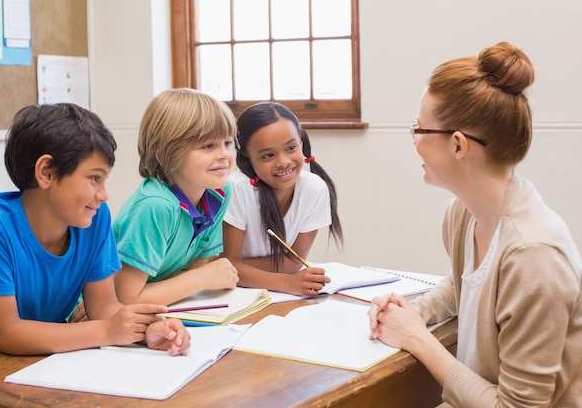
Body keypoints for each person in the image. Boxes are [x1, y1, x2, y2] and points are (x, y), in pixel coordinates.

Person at [368, 42, 582, 407]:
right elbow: (465, 286)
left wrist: (418, 339)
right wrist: (409, 312)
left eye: (420, 129)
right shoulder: (463, 214)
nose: (415, 142)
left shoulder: (534, 257)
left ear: (458, 146)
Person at [0, 103, 191, 356]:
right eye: (94, 179)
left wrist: (151, 330)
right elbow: (9, 334)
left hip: (42, 360)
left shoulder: (93, 219)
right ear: (46, 172)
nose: (104, 195)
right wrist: (106, 331)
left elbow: (104, 308)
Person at [112, 88, 239, 306]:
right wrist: (202, 278)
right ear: (165, 155)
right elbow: (125, 298)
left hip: (161, 308)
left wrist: (198, 277)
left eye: (227, 143)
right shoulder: (155, 206)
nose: (224, 155)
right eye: (208, 146)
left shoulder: (218, 192)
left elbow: (193, 270)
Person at [222, 102, 343, 296]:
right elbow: (228, 266)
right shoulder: (236, 188)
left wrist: (240, 267)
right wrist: (287, 283)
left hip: (270, 294)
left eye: (291, 148)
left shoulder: (315, 188)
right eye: (268, 155)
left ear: (301, 143)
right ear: (247, 158)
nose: (283, 162)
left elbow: (292, 262)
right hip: (234, 294)